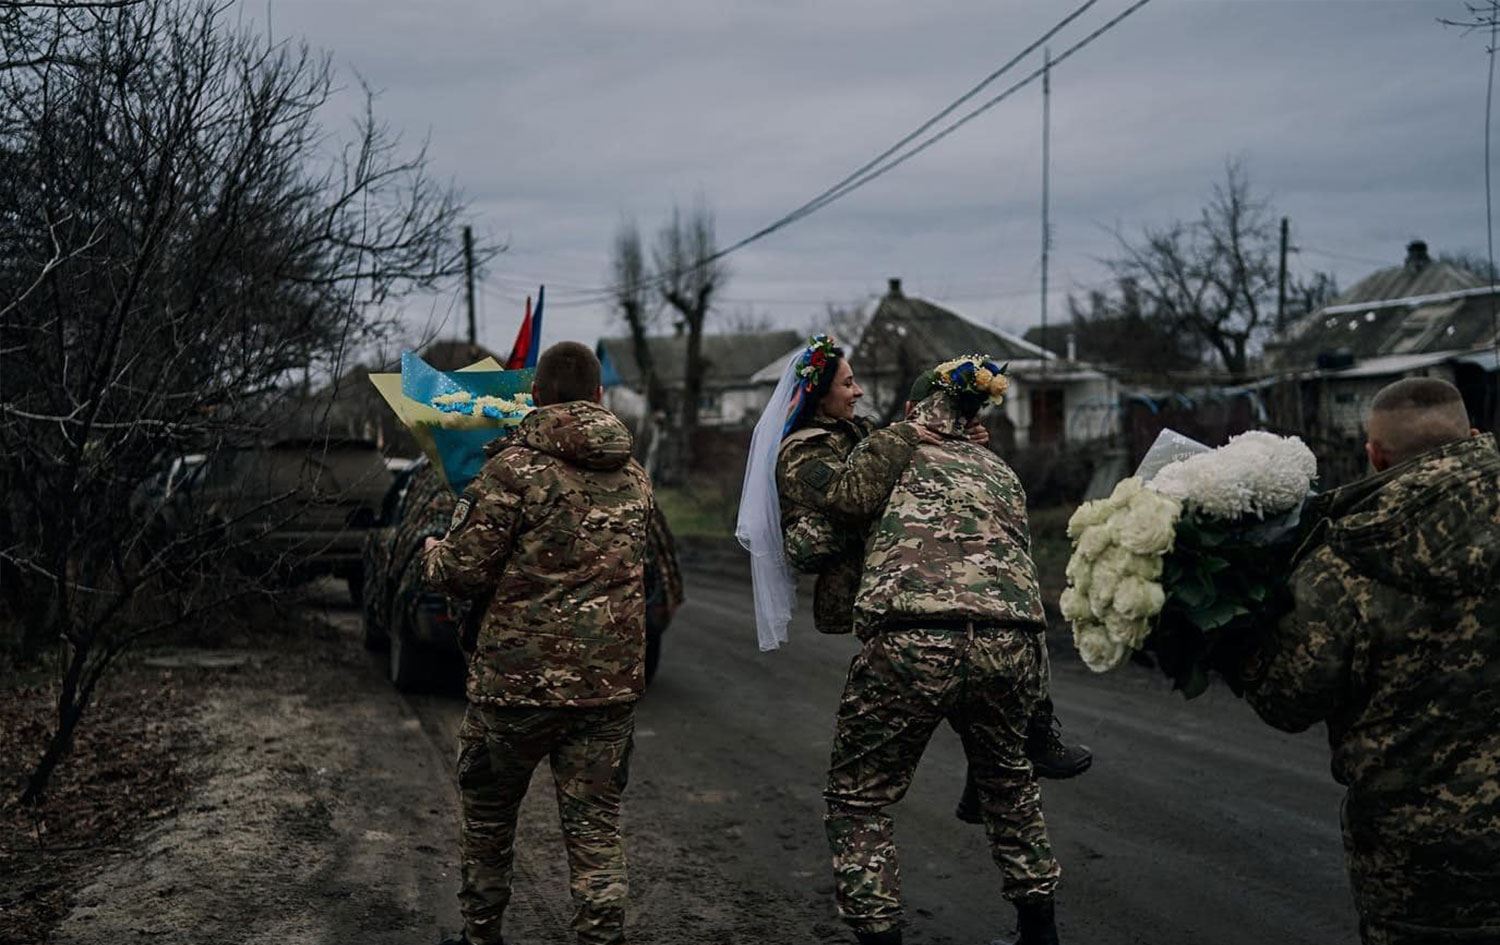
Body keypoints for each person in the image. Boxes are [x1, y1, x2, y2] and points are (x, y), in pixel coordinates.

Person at [759, 336, 1090, 789]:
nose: (857, 392)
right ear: (819, 393)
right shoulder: (801, 452)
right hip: (876, 589)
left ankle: (998, 764)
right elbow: (845, 501)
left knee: (981, 646)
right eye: (849, 383)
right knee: (935, 676)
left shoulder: (862, 433)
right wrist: (913, 438)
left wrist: (953, 442)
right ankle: (991, 768)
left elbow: (895, 464)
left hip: (905, 573)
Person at [1240, 377, 1499, 945]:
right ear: (1472, 436)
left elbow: (1289, 699)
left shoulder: (1343, 563)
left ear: (1375, 456)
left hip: (1421, 865)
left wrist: (1236, 643)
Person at [820, 357, 1063, 945]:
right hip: (1011, 641)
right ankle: (1041, 933)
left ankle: (879, 932)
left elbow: (840, 509)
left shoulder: (889, 455)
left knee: (860, 795)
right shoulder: (1001, 471)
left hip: (913, 638)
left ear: (910, 411)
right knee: (1008, 782)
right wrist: (1040, 703)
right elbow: (1024, 573)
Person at [422, 341, 653, 945]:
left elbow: (465, 571)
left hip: (515, 686)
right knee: (597, 828)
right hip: (607, 688)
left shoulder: (511, 471)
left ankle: (481, 934)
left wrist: (432, 557)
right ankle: (601, 937)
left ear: (535, 396)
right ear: (600, 396)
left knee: (490, 819)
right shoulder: (635, 478)